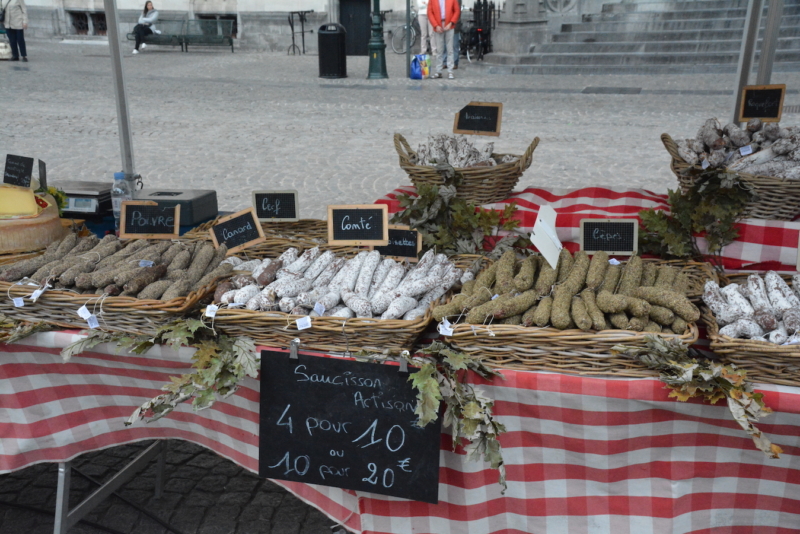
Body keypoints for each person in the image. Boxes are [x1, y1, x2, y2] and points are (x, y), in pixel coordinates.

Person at [427, 0, 460, 79]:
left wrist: (451, 23)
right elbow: (430, 12)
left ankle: (450, 71)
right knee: (439, 50)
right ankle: (438, 71)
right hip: (438, 24)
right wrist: (435, 25)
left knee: (450, 49)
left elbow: (456, 11)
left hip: (449, 24)